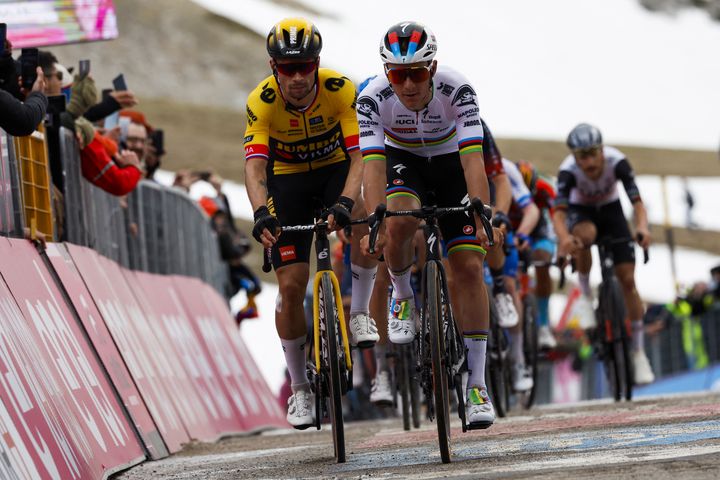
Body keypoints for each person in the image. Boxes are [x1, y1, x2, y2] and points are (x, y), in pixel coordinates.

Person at [359, 22, 501, 428]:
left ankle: (477, 384)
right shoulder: (371, 99)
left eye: (417, 73)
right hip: (404, 161)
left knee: (470, 268)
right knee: (399, 218)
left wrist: (480, 209)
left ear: (433, 67)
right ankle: (402, 293)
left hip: (452, 164)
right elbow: (372, 166)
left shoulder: (459, 89)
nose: (407, 84)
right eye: (397, 74)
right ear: (387, 73)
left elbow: (474, 159)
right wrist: (376, 217)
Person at [244, 18, 378, 429]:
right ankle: (300, 389)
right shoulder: (261, 101)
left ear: (317, 63)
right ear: (273, 67)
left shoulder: (340, 89)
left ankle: (358, 312)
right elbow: (255, 167)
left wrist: (343, 202)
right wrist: (260, 213)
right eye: (288, 69)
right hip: (289, 182)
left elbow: (359, 159)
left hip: (336, 170)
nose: (298, 77)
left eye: (306, 66)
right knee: (288, 288)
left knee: (360, 214)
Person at [552, 123, 655, 385]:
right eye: (581, 156)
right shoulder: (568, 171)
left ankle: (638, 352)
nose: (588, 162)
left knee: (628, 282)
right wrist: (564, 239)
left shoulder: (618, 162)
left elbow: (637, 203)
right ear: (574, 157)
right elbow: (559, 214)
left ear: (602, 150)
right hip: (583, 212)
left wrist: (642, 228)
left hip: (612, 211)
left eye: (592, 153)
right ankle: (585, 295)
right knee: (583, 237)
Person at [501, 158, 541, 392]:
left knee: (508, 284)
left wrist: (523, 234)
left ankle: (518, 359)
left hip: (498, 229)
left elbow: (531, 209)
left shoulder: (504, 168)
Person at [516, 160, 559, 350]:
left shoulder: (545, 188)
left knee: (543, 263)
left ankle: (543, 326)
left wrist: (562, 246)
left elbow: (557, 217)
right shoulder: (507, 185)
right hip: (516, 226)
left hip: (540, 230)